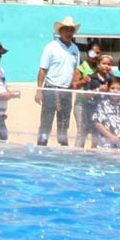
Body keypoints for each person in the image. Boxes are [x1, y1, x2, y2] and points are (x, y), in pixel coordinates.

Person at [36, 16, 82, 146]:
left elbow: (75, 70)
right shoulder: (51, 47)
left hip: (66, 90)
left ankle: (63, 147)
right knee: (46, 121)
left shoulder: (75, 49)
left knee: (64, 122)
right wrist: (39, 91)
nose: (68, 33)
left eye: (71, 30)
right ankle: (41, 146)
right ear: (60, 31)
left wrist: (75, 84)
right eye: (66, 30)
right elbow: (43, 70)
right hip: (51, 88)